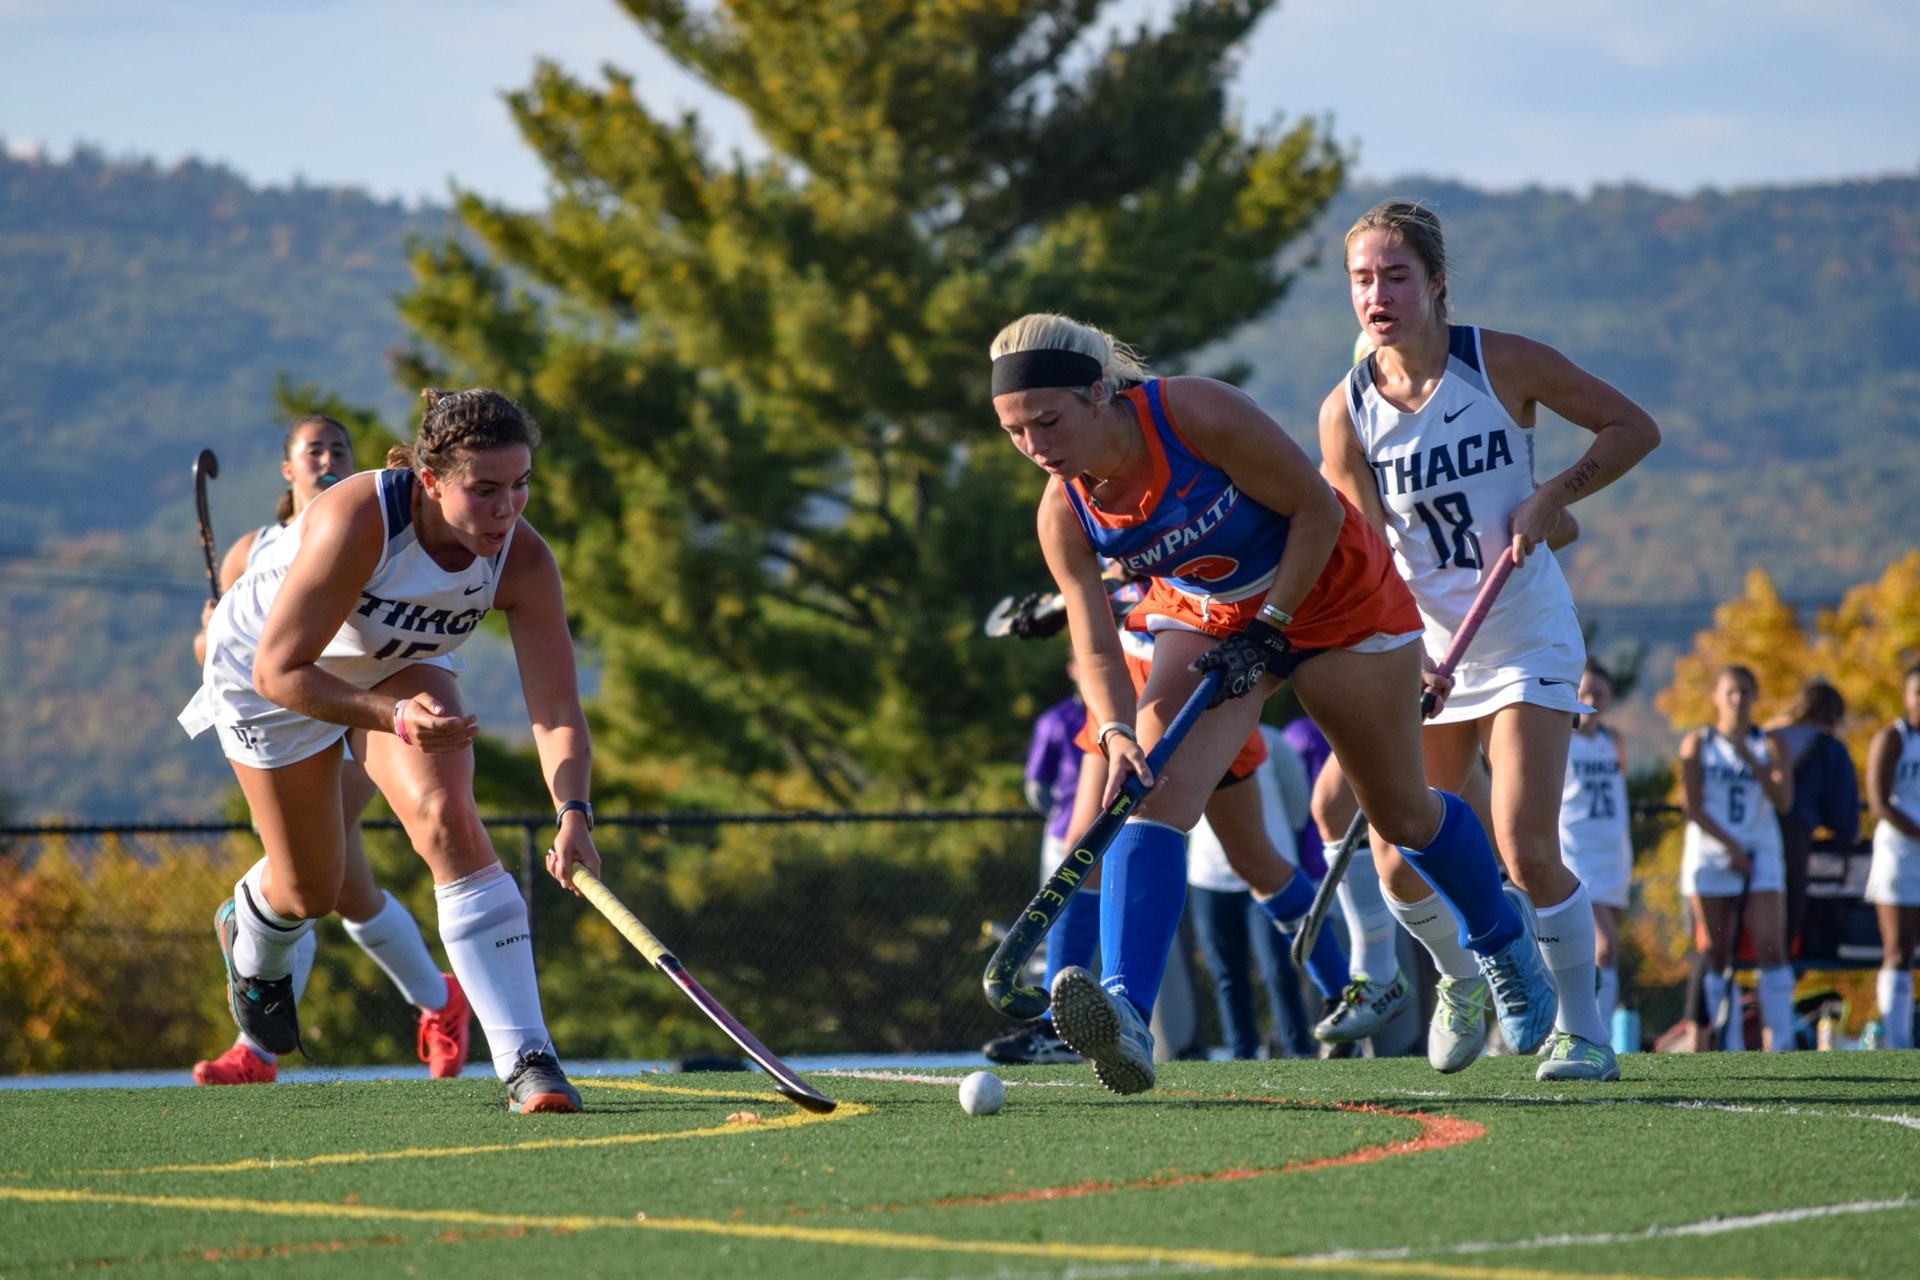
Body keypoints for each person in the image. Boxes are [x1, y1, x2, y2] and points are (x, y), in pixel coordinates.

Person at [989, 311, 1556, 1096]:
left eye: (1046, 421)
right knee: (1145, 794)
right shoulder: (1065, 510)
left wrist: (1275, 624)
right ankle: (1124, 1012)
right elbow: (1091, 640)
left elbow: (1317, 511)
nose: (1036, 447)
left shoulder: (1192, 413)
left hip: (1333, 595)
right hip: (1211, 619)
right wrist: (1117, 728)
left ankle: (1502, 936)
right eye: (1014, 433)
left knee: (1400, 817)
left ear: (1097, 395)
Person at [179, 388, 598, 1113]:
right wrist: (394, 718)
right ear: (432, 481)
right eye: (486, 489)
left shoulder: (522, 560)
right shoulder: (360, 518)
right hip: (269, 677)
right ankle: (248, 919)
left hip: (391, 662)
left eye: (521, 485)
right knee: (311, 890)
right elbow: (280, 672)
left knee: (448, 819)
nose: (508, 508)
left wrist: (574, 812)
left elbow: (556, 708)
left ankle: (529, 1058)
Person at [1319, 199, 1661, 1082]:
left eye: (1397, 275)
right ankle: (1461, 977)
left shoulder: (1501, 362)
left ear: (1436, 284)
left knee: (1523, 845)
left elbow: (1632, 428)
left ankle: (1582, 1032)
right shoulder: (1345, 414)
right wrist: (1401, 646)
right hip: (1422, 649)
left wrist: (1555, 499)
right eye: (1363, 278)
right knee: (1397, 859)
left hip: (1523, 638)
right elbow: (1362, 556)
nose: (1378, 294)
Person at [188, 415, 473, 1086]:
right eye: (312, 450)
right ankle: (439, 1001)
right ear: (289, 469)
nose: (328, 458)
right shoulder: (253, 549)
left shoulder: (369, 527)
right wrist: (209, 634)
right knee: (341, 885)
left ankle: (256, 1043)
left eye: (339, 448)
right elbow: (221, 656)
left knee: (311, 874)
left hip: (358, 707)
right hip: (283, 710)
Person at [1679, 665, 1796, 1051]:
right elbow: (1692, 806)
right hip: (1712, 853)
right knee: (1715, 948)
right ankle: (1723, 1042)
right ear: (1715, 697)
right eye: (1730, 691)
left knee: (1770, 947)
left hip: (1760, 850)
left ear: (1754, 697)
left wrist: (1752, 760)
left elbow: (1783, 801)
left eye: (1745, 691)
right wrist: (1730, 849)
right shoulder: (1698, 743)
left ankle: (1779, 1041)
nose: (1737, 699)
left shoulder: (1770, 744)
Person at [1186, 726, 1321, 1058]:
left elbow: (1298, 804)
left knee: (1277, 968)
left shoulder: (1273, 742)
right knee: (1226, 973)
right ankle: (1241, 1055)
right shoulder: (1188, 739)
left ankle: (1296, 1050)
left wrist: (1266, 851)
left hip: (1265, 876)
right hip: (1209, 878)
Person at [983, 664, 1089, 1066]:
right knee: (1057, 920)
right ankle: (1054, 1022)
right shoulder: (1056, 719)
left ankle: (1116, 1018)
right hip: (1067, 834)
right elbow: (1037, 787)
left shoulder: (1128, 698)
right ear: (1071, 668)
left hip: (1127, 826)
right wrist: (1063, 817)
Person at [1558, 660, 1633, 1029]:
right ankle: (1592, 1032)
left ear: (1609, 698)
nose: (1591, 699)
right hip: (1576, 854)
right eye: (1584, 692)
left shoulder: (1613, 741)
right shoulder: (1561, 740)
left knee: (1604, 951)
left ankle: (1580, 1025)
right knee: (1603, 949)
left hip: (1612, 856)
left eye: (1598, 693)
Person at [1767, 678, 1861, 955]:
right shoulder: (1826, 747)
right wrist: (1849, 832)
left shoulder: (1768, 735)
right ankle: (1776, 983)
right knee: (1787, 918)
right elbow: (1841, 809)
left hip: (1744, 833)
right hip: (1791, 835)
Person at [1863, 662, 1920, 1049]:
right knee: (1899, 950)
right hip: (1900, 852)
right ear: (1906, 696)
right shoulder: (1894, 738)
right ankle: (1896, 1042)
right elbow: (1879, 802)